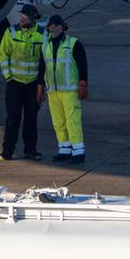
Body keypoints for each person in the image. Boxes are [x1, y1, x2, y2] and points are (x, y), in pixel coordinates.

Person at [38, 14, 89, 165]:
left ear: (62, 27)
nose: (51, 27)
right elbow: (42, 66)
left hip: (70, 91)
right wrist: (40, 86)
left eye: (54, 24)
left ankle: (78, 153)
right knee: (58, 122)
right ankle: (64, 150)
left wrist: (83, 84)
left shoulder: (74, 43)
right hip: (53, 91)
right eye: (50, 25)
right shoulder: (45, 44)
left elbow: (82, 65)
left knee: (73, 122)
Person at [0, 3, 44, 161]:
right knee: (12, 118)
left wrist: (41, 85)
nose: (21, 19)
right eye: (21, 17)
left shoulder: (42, 35)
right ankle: (7, 151)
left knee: (31, 119)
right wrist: (8, 77)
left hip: (33, 85)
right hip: (15, 84)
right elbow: (3, 54)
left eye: (24, 17)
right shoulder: (11, 32)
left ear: (32, 19)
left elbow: (46, 60)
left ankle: (30, 150)